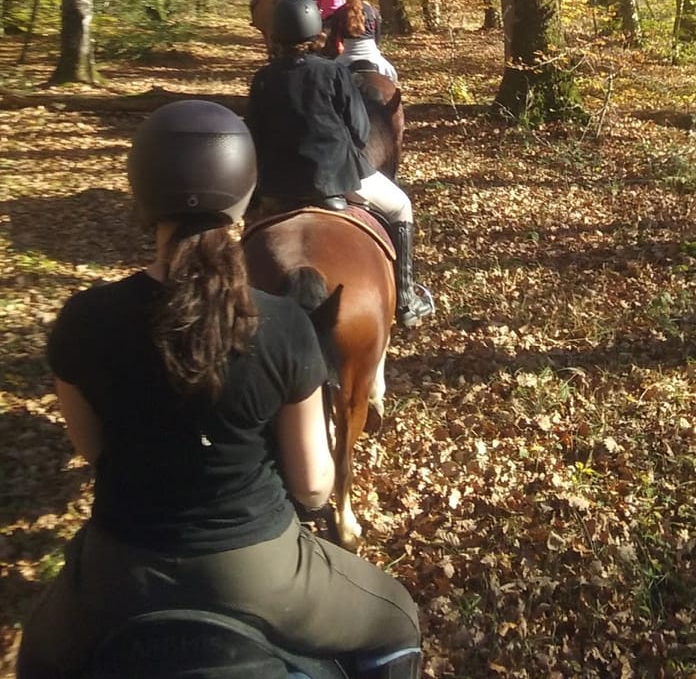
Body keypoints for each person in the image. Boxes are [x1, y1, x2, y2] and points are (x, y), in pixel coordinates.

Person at [17, 100, 421, 679]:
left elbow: (92, 448)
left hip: (117, 570)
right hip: (260, 570)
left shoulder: (82, 321)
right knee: (399, 620)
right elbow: (312, 485)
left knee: (39, 658)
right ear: (242, 194)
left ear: (140, 195)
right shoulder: (283, 327)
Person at [246, 0, 434, 331]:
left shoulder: (262, 79)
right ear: (315, 32)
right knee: (401, 207)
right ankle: (406, 299)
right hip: (338, 180)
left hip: (278, 186)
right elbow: (360, 129)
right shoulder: (333, 72)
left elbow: (255, 135)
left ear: (275, 35)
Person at [326, 0, 398, 82]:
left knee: (328, 80)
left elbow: (334, 41)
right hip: (372, 54)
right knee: (392, 76)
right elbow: (377, 39)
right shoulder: (373, 11)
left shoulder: (339, 13)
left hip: (347, 57)